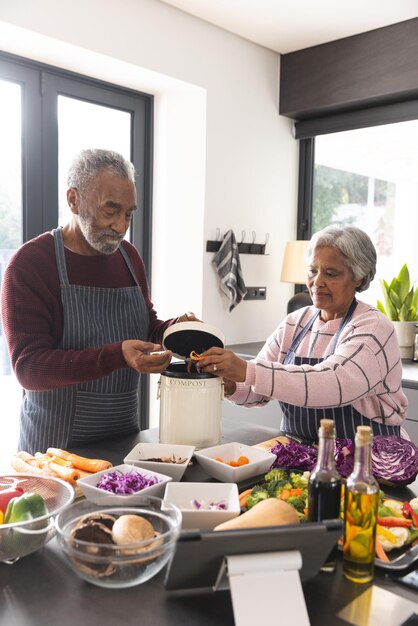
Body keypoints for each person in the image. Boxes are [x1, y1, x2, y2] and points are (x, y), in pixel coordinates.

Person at [1, 148, 196, 454]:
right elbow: (28, 368)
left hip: (124, 443)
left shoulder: (129, 258)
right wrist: (117, 355)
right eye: (111, 210)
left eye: (129, 213)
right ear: (73, 200)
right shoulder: (31, 264)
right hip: (55, 453)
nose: (121, 226)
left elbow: (145, 325)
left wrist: (176, 331)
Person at [199, 225, 408, 441]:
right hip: (301, 455)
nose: (317, 282)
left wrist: (245, 369)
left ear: (359, 279)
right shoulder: (295, 323)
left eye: (330, 273)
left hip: (369, 458)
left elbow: (333, 383)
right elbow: (256, 392)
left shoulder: (373, 327)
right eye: (312, 270)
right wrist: (231, 383)